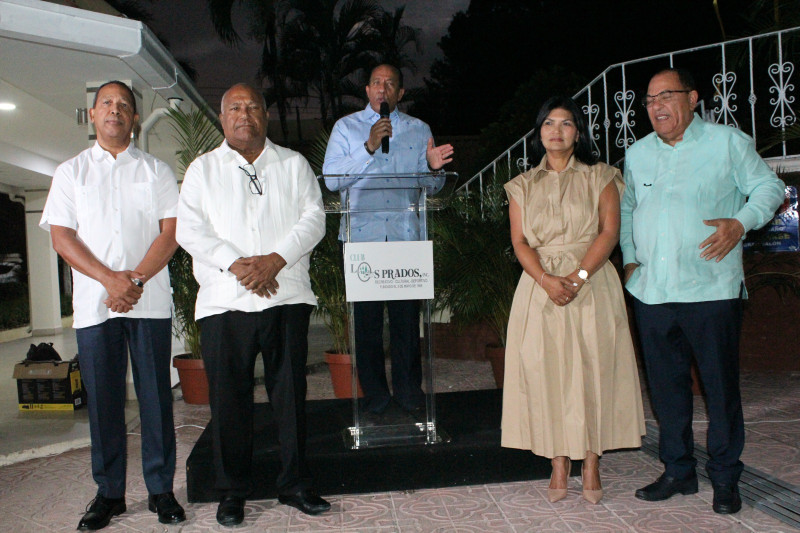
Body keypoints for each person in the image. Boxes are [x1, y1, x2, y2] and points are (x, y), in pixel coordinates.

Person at [621, 68, 785, 514]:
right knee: (666, 390)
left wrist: (740, 223)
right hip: (652, 293)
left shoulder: (727, 143)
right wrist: (631, 259)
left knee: (719, 389)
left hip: (711, 289)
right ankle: (678, 471)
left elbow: (769, 187)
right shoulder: (637, 154)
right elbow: (628, 207)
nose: (656, 106)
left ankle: (726, 478)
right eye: (649, 99)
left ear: (692, 98)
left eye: (666, 96)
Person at [176, 83, 328, 527]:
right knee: (229, 401)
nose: (246, 114)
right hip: (225, 301)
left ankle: (295, 484)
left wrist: (275, 261)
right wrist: (239, 266)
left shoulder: (294, 164)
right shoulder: (202, 170)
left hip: (286, 296)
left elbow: (314, 218)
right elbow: (190, 230)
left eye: (254, 107)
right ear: (222, 119)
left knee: (290, 398)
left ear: (266, 116)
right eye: (235, 108)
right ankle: (231, 492)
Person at [40, 81, 185, 530]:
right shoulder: (71, 172)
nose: (116, 110)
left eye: (124, 105)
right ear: (92, 114)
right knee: (103, 402)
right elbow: (62, 237)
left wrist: (135, 279)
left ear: (135, 118)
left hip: (148, 302)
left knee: (156, 398)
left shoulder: (156, 171)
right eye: (107, 103)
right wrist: (109, 279)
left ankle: (161, 491)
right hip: (95, 306)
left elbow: (172, 231)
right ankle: (110, 495)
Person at [501, 95, 645, 505]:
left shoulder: (601, 175)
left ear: (578, 132)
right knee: (548, 372)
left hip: (593, 281)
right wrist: (547, 280)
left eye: (565, 124)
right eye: (548, 123)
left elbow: (609, 232)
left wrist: (579, 277)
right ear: (539, 132)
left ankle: (592, 460)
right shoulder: (522, 184)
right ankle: (558, 461)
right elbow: (519, 241)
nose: (556, 131)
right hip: (539, 287)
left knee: (593, 368)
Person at [322, 64, 454, 415]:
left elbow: (430, 188)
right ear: (367, 90)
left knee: (406, 323)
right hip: (361, 239)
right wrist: (368, 147)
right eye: (377, 83)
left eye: (390, 84)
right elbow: (332, 181)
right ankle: (375, 395)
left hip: (405, 237)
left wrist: (433, 169)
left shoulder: (419, 129)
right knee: (366, 325)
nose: (383, 89)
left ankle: (410, 391)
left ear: (400, 94)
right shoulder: (346, 128)